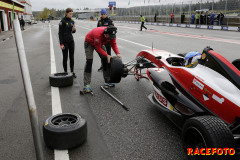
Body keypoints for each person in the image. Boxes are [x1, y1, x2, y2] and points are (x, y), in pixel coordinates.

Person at [83, 26, 122, 92]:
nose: (110, 39)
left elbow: (113, 43)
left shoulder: (112, 34)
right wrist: (107, 55)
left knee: (105, 60)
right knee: (89, 61)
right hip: (90, 42)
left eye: (112, 37)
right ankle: (86, 85)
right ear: (106, 34)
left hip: (99, 43)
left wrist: (117, 53)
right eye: (109, 37)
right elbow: (97, 47)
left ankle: (107, 80)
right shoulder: (98, 34)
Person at [58, 8, 77, 78]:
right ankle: (65, 72)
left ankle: (72, 72)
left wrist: (74, 30)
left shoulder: (72, 21)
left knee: (71, 57)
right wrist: (61, 44)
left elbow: (73, 32)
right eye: (70, 14)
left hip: (71, 41)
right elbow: (60, 33)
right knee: (65, 57)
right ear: (66, 13)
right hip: (65, 42)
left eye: (72, 14)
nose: (71, 15)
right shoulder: (62, 21)